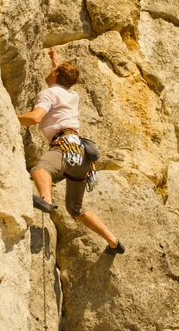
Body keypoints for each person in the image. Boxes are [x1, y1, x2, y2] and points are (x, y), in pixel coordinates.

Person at [17, 49, 125, 255]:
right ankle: (113, 241)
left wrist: (8, 115)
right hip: (83, 154)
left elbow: (34, 118)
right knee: (76, 209)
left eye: (54, 70)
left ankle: (46, 201)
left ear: (57, 75)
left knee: (41, 170)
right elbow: (61, 80)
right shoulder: (71, 94)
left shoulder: (49, 93)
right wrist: (55, 61)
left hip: (65, 146)